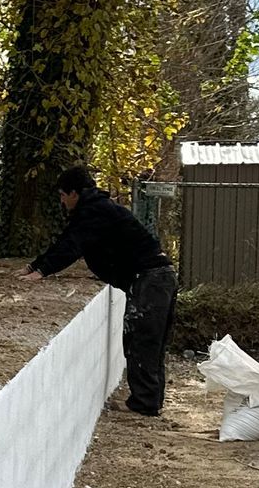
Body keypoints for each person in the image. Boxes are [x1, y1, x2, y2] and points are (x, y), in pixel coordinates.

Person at [26, 163, 178, 415]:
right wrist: (37, 265)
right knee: (150, 342)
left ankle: (144, 404)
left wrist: (42, 271)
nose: (62, 202)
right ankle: (149, 401)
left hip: (149, 280)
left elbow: (71, 245)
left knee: (141, 341)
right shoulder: (97, 209)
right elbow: (68, 240)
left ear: (74, 193)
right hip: (158, 278)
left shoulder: (93, 212)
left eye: (63, 196)